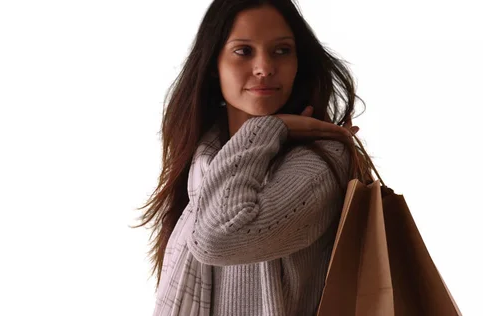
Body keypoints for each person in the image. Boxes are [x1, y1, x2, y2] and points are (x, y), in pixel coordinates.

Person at [133, 0, 374, 315]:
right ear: (212, 67)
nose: (264, 67)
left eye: (282, 50)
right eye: (244, 51)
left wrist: (266, 128)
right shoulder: (203, 164)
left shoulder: (321, 164)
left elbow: (217, 238)